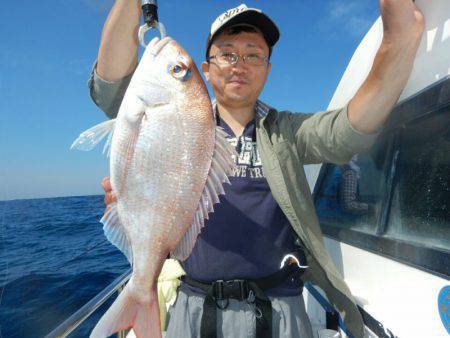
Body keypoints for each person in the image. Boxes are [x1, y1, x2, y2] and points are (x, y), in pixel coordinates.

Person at [89, 2, 424, 337]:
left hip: (280, 310)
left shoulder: (287, 131)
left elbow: (349, 130)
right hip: (194, 308)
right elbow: (110, 81)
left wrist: (397, 40)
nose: (240, 65)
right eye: (228, 54)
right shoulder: (176, 122)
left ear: (267, 69)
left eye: (254, 56)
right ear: (206, 68)